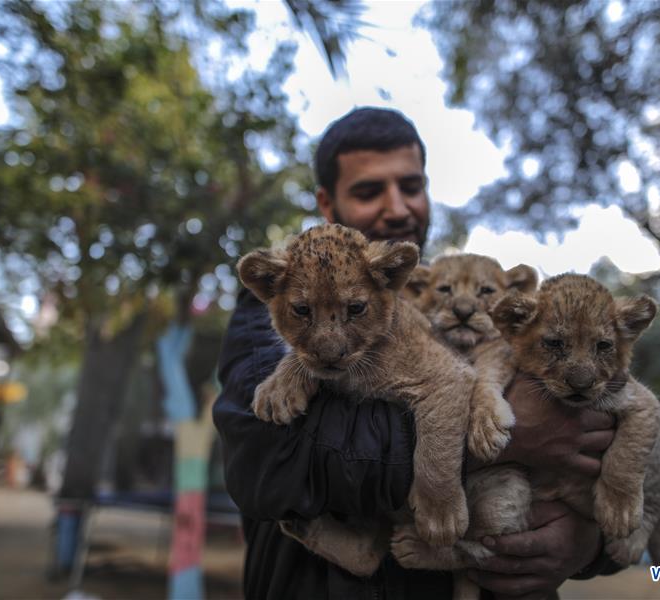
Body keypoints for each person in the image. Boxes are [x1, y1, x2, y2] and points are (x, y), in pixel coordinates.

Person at [212, 107, 621, 599]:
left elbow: (592, 442)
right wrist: (508, 437)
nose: (398, 207)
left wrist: (588, 543)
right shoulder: (279, 303)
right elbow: (267, 458)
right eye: (368, 191)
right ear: (326, 201)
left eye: (411, 186)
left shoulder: (452, 296)